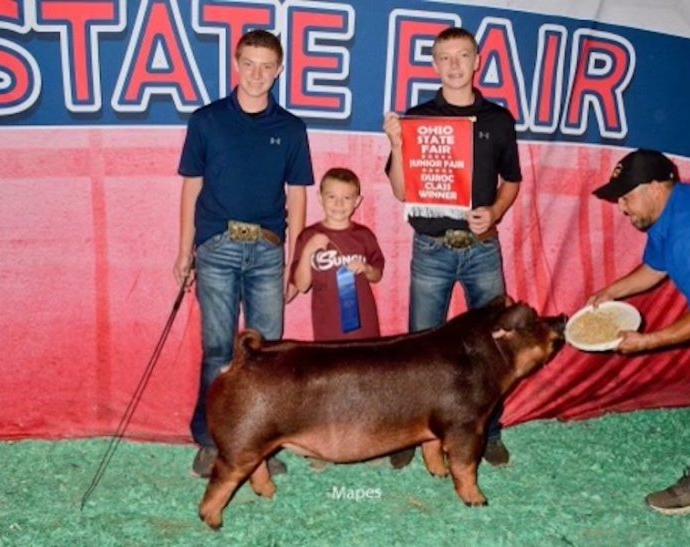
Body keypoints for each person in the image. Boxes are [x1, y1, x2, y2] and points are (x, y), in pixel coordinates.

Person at [174, 29, 314, 478]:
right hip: (215, 247)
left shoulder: (291, 128)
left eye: (266, 66)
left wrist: (295, 261)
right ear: (236, 63)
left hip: (269, 252)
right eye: (249, 64)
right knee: (218, 350)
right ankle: (211, 441)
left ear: (279, 70)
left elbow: (297, 197)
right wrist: (183, 251)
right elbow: (191, 188)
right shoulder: (207, 120)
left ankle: (261, 446)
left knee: (267, 354)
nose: (257, 74)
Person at [383, 27, 522, 468]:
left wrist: (496, 212)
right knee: (420, 347)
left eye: (463, 56)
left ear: (478, 60)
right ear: (434, 63)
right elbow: (402, 191)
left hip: (482, 246)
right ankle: (408, 432)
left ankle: (490, 430)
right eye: (446, 57)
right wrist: (398, 143)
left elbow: (512, 181)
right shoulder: (418, 117)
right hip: (432, 247)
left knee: (496, 345)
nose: (455, 65)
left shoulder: (499, 120)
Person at [590, 148, 690, 515]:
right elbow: (655, 268)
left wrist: (644, 342)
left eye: (626, 196)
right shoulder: (666, 216)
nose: (621, 207)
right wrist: (611, 291)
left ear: (655, 187)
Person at [291, 167, 385, 341]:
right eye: (331, 197)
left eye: (347, 198)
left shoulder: (364, 235)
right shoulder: (308, 236)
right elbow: (302, 286)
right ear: (320, 197)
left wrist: (366, 268)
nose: (339, 204)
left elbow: (377, 275)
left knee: (364, 365)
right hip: (327, 325)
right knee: (330, 367)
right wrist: (308, 251)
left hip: (362, 326)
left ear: (357, 201)